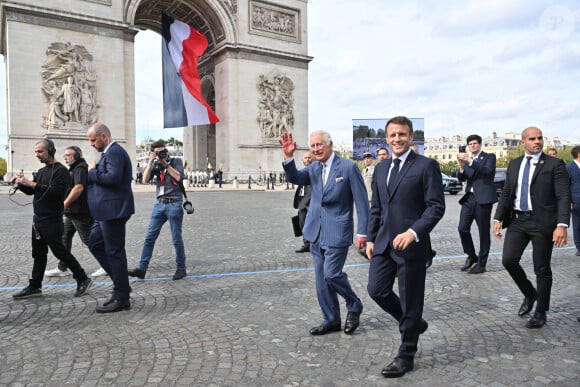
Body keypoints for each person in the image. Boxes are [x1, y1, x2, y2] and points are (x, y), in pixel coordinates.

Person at [366, 116, 445, 378]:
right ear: (386, 139)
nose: (397, 139)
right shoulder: (381, 168)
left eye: (402, 134)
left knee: (411, 299)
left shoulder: (426, 166)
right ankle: (414, 324)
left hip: (411, 245)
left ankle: (406, 354)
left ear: (411, 137)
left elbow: (436, 207)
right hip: (383, 244)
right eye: (392, 135)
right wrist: (369, 238)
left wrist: (413, 233)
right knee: (376, 290)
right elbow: (376, 208)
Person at [280, 130, 369, 336]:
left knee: (332, 274)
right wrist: (288, 157)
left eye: (320, 145)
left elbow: (362, 203)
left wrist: (363, 232)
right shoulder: (313, 168)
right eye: (313, 146)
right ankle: (331, 320)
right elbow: (295, 178)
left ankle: (354, 304)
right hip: (314, 232)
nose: (316, 149)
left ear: (330, 145)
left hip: (337, 231)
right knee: (321, 281)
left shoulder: (348, 168)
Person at [493, 127, 570, 329]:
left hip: (542, 223)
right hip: (518, 221)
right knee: (508, 260)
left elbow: (563, 195)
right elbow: (507, 192)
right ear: (523, 142)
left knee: (541, 268)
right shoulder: (515, 164)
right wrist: (498, 218)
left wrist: (562, 225)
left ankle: (541, 311)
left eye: (540, 138)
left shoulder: (555, 164)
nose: (537, 142)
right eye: (532, 139)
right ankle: (530, 293)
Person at [10, 139, 93, 299]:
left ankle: (82, 278)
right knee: (38, 254)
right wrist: (21, 184)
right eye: (36, 152)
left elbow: (55, 192)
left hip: (52, 220)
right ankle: (35, 286)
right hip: (38, 220)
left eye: (40, 151)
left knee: (60, 252)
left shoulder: (61, 171)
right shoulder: (42, 172)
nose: (37, 155)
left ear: (51, 151)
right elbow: (34, 192)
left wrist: (33, 184)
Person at [86, 123, 135, 313]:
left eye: (92, 140)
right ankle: (121, 284)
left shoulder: (114, 152)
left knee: (115, 252)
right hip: (105, 212)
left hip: (113, 211)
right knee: (94, 243)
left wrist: (92, 171)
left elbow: (113, 178)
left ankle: (122, 297)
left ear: (104, 136)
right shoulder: (108, 153)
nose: (91, 144)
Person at [128, 141, 188, 280]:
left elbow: (179, 177)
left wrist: (165, 164)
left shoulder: (176, 161)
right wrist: (150, 162)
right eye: (158, 152)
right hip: (159, 204)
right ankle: (141, 269)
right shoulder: (155, 165)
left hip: (174, 203)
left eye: (164, 151)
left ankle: (181, 268)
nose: (163, 154)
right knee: (149, 237)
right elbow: (144, 180)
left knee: (176, 238)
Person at [44, 146, 106, 278]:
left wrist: (64, 204)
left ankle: (107, 264)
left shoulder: (80, 168)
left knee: (89, 240)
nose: (65, 157)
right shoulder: (74, 169)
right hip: (71, 212)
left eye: (68, 155)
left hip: (80, 212)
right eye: (65, 155)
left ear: (77, 156)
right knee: (64, 238)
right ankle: (62, 267)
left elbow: (79, 188)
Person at [456, 135, 497, 274]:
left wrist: (470, 161)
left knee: (483, 232)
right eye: (470, 144)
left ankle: (482, 263)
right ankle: (471, 255)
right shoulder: (467, 160)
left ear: (480, 145)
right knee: (462, 228)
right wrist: (462, 166)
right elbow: (462, 178)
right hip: (469, 199)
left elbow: (488, 172)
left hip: (484, 199)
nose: (472, 146)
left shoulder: (489, 157)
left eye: (475, 143)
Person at [293, 151, 312, 253]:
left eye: (309, 157)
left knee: (310, 224)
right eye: (306, 158)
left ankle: (312, 244)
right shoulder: (303, 171)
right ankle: (307, 244)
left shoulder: (314, 170)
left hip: (310, 202)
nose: (308, 159)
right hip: (302, 202)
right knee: (302, 223)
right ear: (302, 160)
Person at [566, 145, 580, 256]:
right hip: (576, 201)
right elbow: (566, 186)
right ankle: (579, 247)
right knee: (577, 225)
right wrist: (569, 201)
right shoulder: (569, 168)